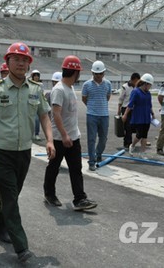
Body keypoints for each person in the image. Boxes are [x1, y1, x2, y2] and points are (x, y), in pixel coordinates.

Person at [0, 42, 55, 263]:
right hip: (1, 153)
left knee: (12, 195)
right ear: (7, 62)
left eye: (25, 60)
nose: (21, 63)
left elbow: (45, 116)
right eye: (16, 59)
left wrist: (50, 140)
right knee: (10, 198)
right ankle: (22, 248)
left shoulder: (36, 90)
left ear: (29, 64)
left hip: (24, 153)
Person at [43, 56, 97, 210]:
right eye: (78, 72)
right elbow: (56, 114)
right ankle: (49, 194)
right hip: (60, 138)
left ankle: (79, 199)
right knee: (53, 167)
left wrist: (71, 135)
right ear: (75, 72)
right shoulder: (59, 89)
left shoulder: (70, 87)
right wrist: (65, 135)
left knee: (76, 169)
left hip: (73, 137)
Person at [81, 60, 112, 171]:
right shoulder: (87, 85)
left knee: (103, 138)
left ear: (104, 73)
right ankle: (91, 161)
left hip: (104, 115)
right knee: (91, 139)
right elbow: (84, 99)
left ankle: (98, 153)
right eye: (96, 73)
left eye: (100, 73)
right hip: (92, 115)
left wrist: (100, 105)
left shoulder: (108, 84)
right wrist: (91, 107)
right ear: (92, 73)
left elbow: (107, 97)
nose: (98, 76)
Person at [123, 74, 155, 158]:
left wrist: (153, 113)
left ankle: (142, 153)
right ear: (145, 83)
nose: (150, 87)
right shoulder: (136, 92)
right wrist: (125, 115)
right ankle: (132, 145)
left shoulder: (148, 94)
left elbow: (149, 105)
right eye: (150, 85)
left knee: (145, 135)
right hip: (138, 116)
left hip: (146, 117)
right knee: (139, 134)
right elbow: (130, 105)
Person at [117, 73, 140, 149]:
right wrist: (119, 111)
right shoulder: (125, 87)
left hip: (135, 110)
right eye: (137, 80)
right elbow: (121, 99)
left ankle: (129, 142)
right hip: (126, 109)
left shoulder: (138, 87)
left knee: (134, 127)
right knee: (128, 127)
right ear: (134, 79)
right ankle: (127, 143)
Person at [29, 69, 43, 141]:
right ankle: (30, 134)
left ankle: (36, 134)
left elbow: (42, 95)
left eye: (38, 76)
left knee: (37, 120)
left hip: (38, 104)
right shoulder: (29, 84)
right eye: (35, 76)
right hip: (30, 104)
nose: (36, 77)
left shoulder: (40, 85)